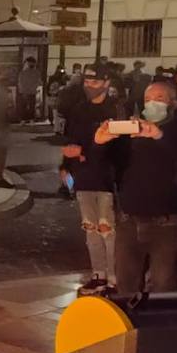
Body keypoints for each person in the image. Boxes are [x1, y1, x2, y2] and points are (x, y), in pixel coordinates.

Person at [96, 80, 177, 294]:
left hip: (166, 223)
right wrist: (100, 143)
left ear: (174, 104)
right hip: (129, 221)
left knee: (164, 287)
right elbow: (104, 167)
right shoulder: (131, 134)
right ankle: (130, 326)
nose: (152, 104)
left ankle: (157, 326)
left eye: (159, 99)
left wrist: (159, 136)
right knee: (126, 285)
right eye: (147, 99)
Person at [58, 66, 124, 295]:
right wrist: (65, 165)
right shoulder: (79, 109)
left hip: (107, 178)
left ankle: (115, 278)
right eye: (87, 81)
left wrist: (84, 151)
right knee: (90, 228)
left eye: (95, 82)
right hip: (83, 176)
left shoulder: (115, 109)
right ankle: (99, 274)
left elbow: (119, 146)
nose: (90, 86)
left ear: (106, 83)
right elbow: (70, 139)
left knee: (108, 228)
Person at [16, 57, 42, 123]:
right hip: (31, 92)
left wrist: (21, 90)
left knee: (25, 106)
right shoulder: (36, 73)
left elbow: (20, 83)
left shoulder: (22, 73)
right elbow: (38, 82)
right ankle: (30, 119)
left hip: (25, 92)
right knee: (31, 106)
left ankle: (23, 120)